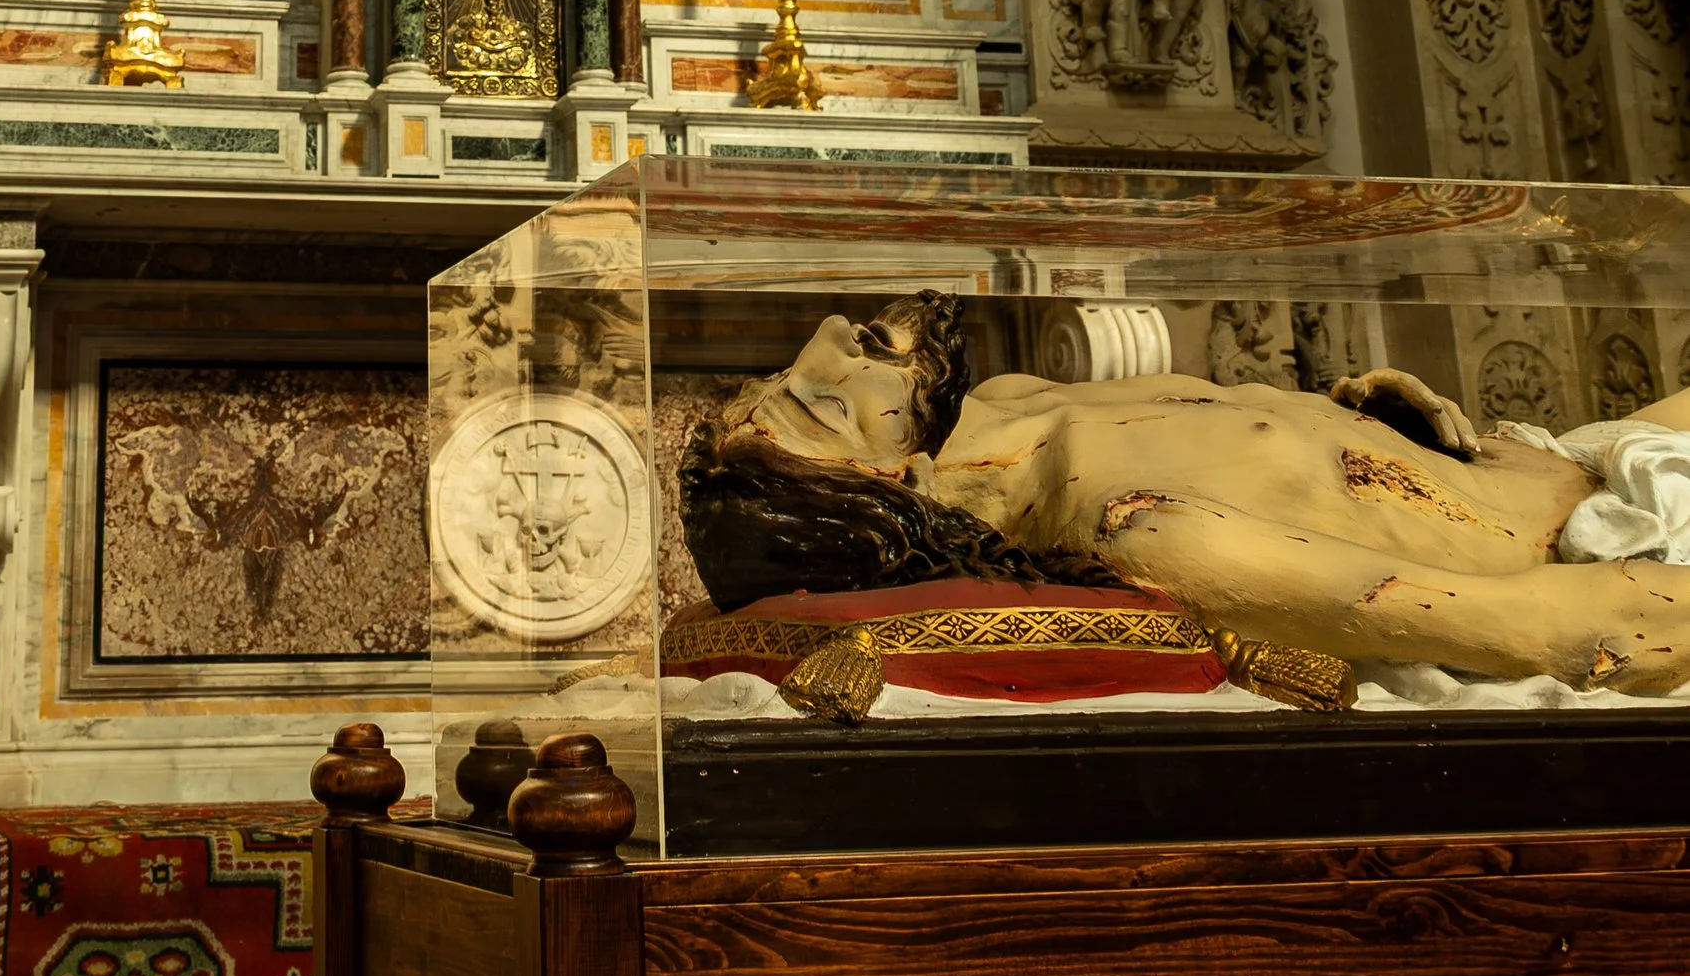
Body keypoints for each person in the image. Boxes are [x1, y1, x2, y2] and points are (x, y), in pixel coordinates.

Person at [683, 303, 1690, 695]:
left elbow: (1244, 424)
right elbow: (1529, 625)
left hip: (1575, 451)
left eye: (788, 370)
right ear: (889, 478)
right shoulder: (1143, 528)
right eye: (819, 402)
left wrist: (1350, 413)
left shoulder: (1005, 403)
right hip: (1622, 535)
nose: (828, 334)